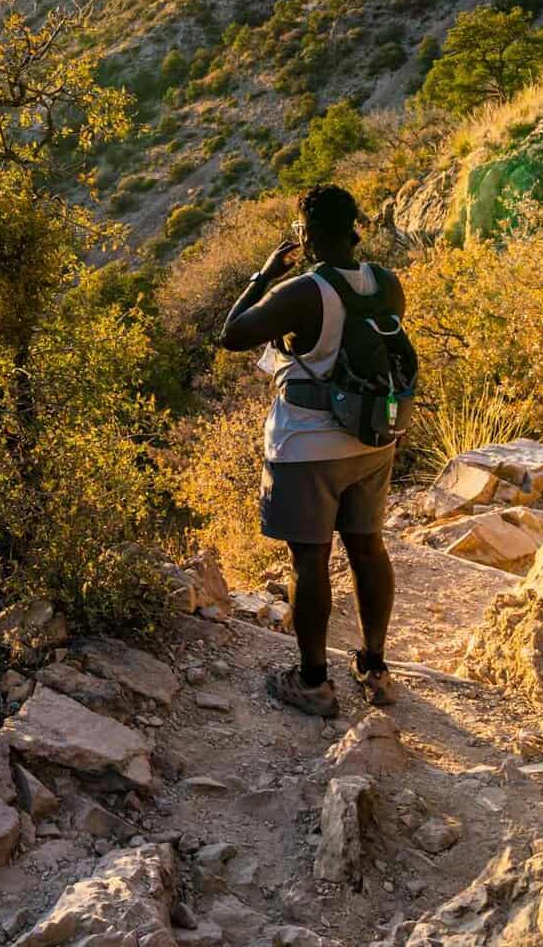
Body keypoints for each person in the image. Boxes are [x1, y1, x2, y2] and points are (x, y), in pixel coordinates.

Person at [221, 182, 404, 717]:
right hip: (371, 440)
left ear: (304, 234)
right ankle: (374, 668)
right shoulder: (385, 283)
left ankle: (313, 683)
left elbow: (233, 334)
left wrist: (263, 276)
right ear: (356, 226)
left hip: (307, 445)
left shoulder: (302, 291)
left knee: (310, 560)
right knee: (368, 548)